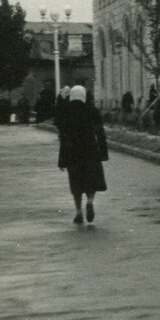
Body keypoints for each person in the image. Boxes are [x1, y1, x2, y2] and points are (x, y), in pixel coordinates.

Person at [58, 85, 108, 225]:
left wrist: (62, 160)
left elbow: (63, 136)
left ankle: (78, 211)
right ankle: (90, 201)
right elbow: (100, 132)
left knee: (76, 183)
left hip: (72, 152)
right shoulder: (92, 110)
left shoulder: (66, 112)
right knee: (92, 179)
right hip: (90, 150)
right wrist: (103, 152)